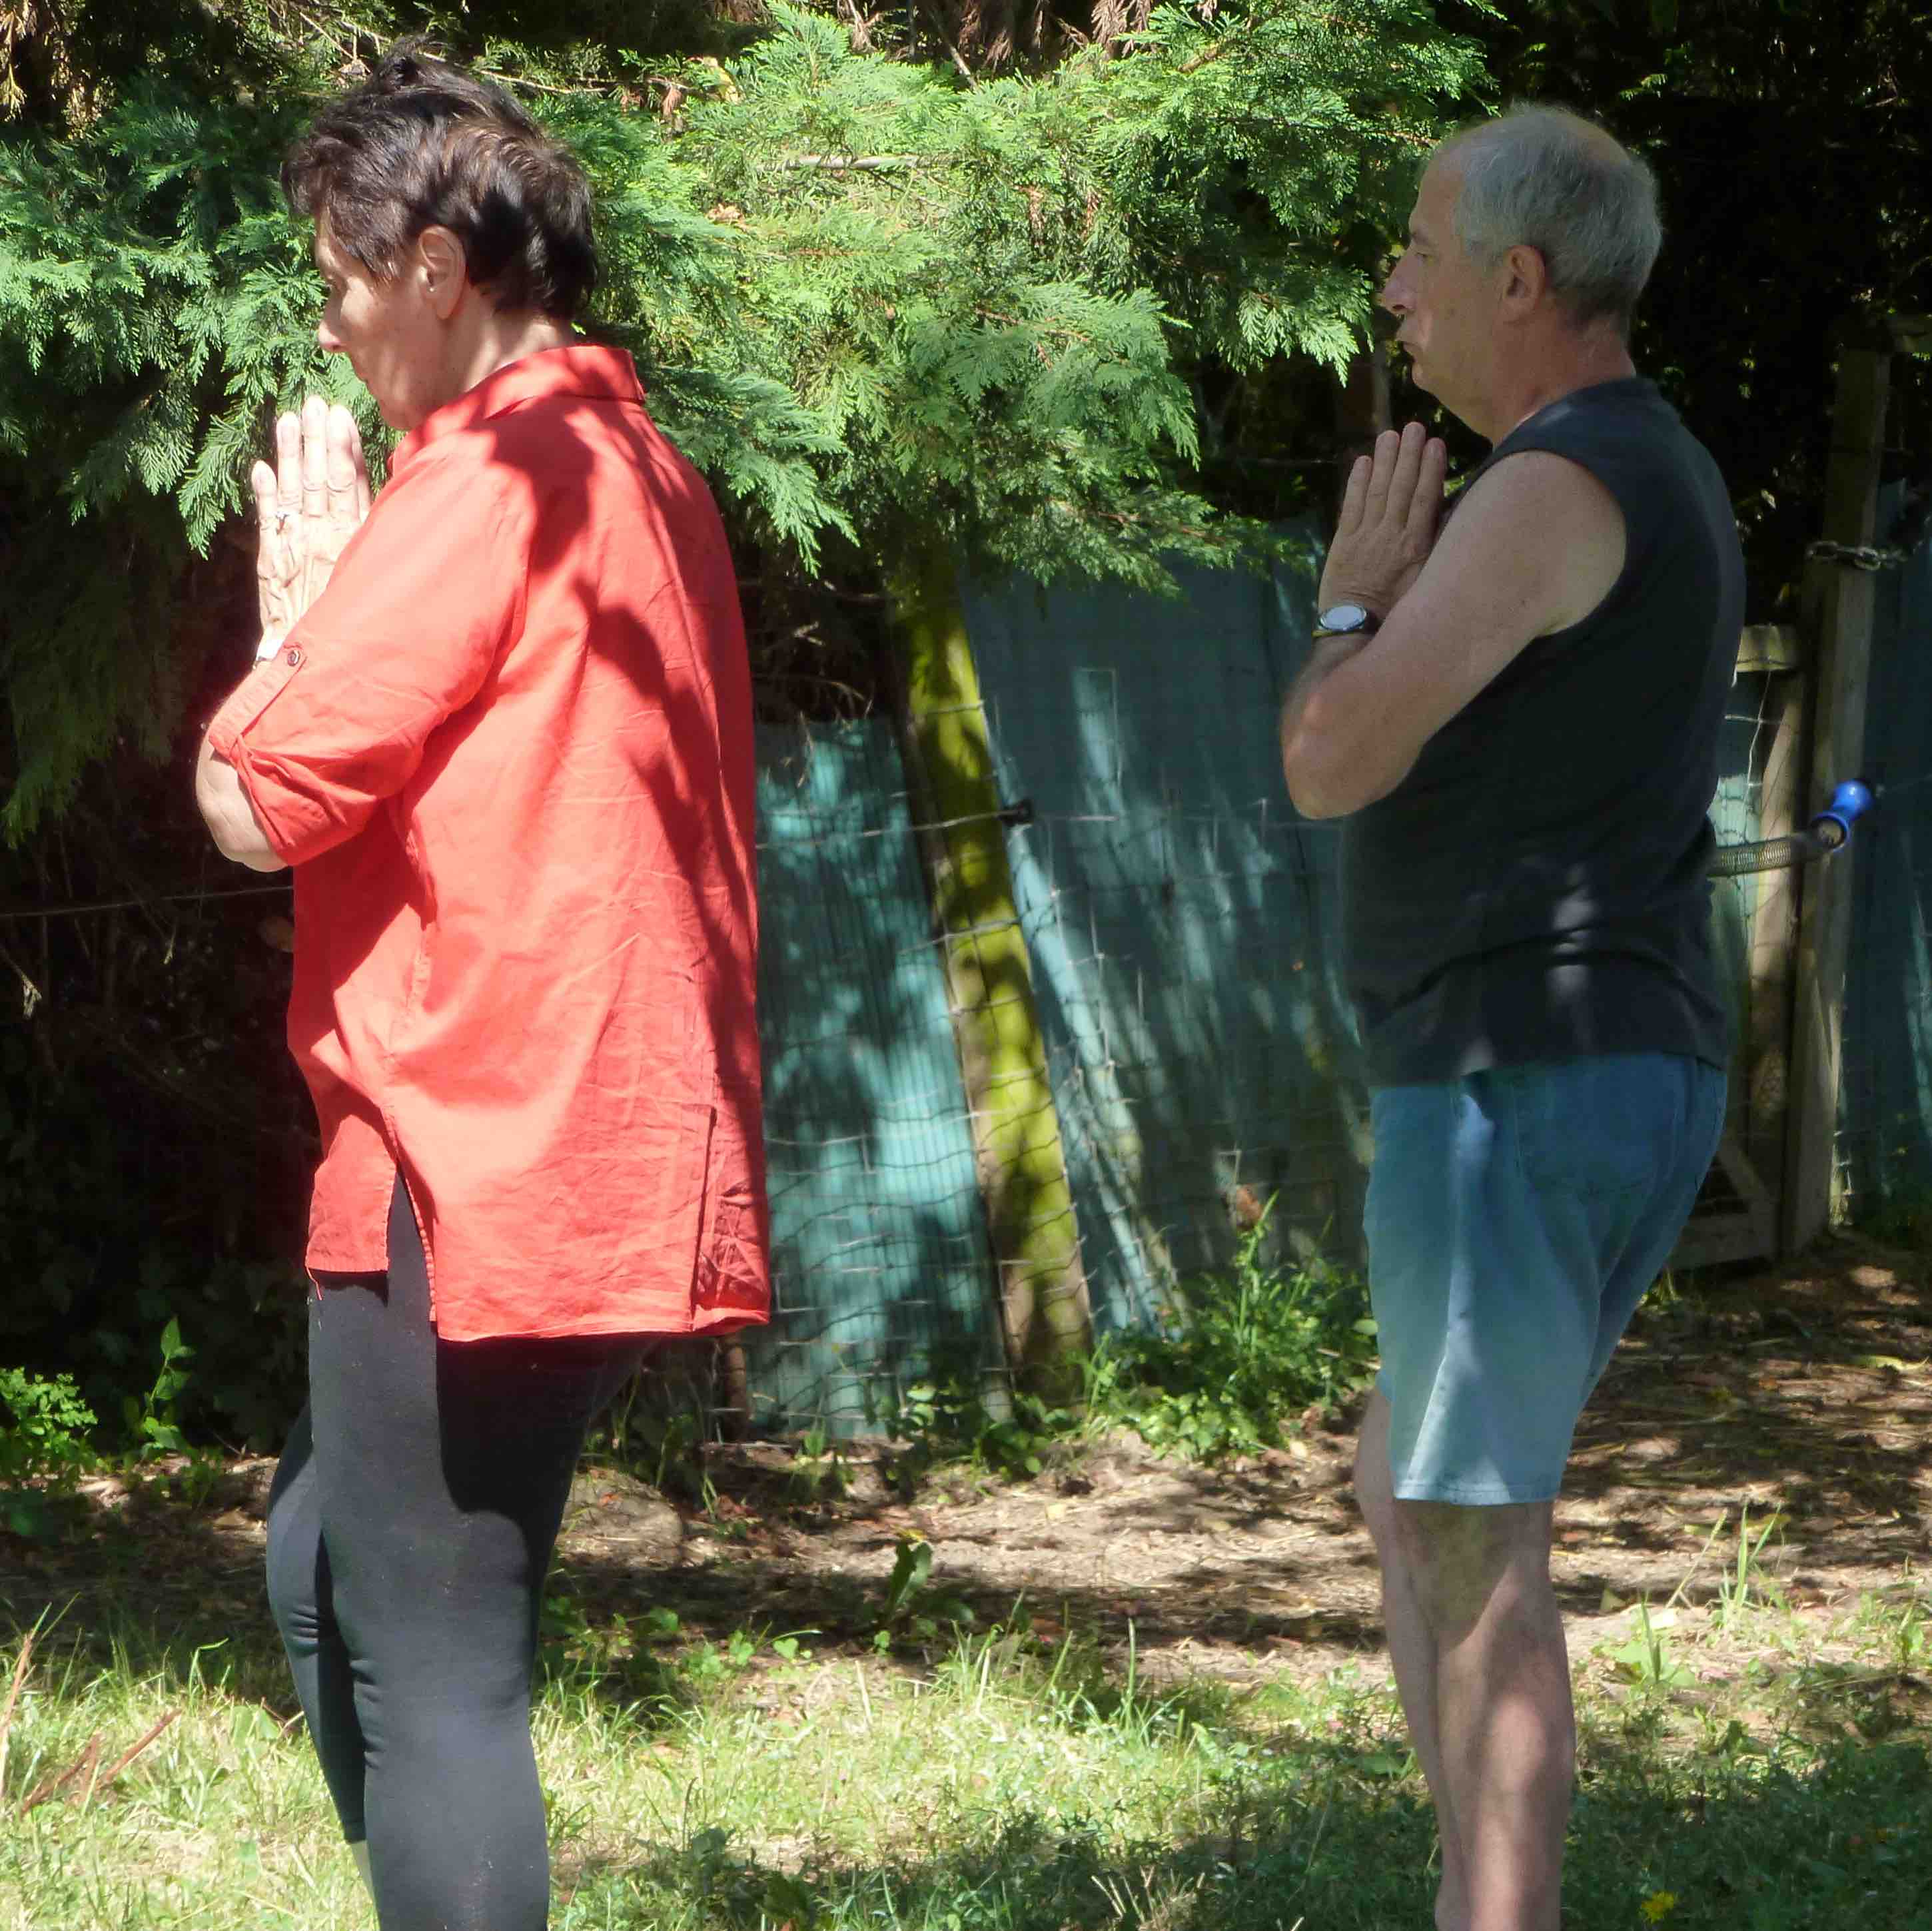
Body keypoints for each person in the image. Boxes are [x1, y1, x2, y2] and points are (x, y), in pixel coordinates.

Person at [193, 42, 769, 1931]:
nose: (334, 323)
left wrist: (293, 628)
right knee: (322, 1558)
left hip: (472, 1149)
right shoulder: (643, 466)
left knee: (436, 1663)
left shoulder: (493, 471)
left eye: (343, 278)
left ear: (438, 269)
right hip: (591, 1139)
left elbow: (256, 801)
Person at [1279, 107, 1739, 1930]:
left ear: (1520, 279)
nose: (1395, 290)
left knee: (1474, 1541)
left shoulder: (1551, 484)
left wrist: (1350, 599)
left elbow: (1330, 758)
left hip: (1515, 1081)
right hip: (1594, 1067)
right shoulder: (1651, 463)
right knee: (1406, 1478)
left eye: (1418, 252)